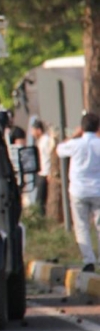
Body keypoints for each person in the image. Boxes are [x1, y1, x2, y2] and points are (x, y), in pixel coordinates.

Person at [56, 113, 100, 273]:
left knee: (81, 226)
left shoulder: (75, 144)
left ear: (82, 128)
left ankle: (89, 260)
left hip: (79, 191)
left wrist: (74, 135)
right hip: (98, 191)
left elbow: (59, 150)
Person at [31, 119, 54, 212]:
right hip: (42, 172)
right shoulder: (41, 141)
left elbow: (49, 157)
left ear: (39, 130)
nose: (32, 133)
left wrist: (49, 173)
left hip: (45, 173)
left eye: (33, 130)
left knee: (40, 200)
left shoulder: (45, 141)